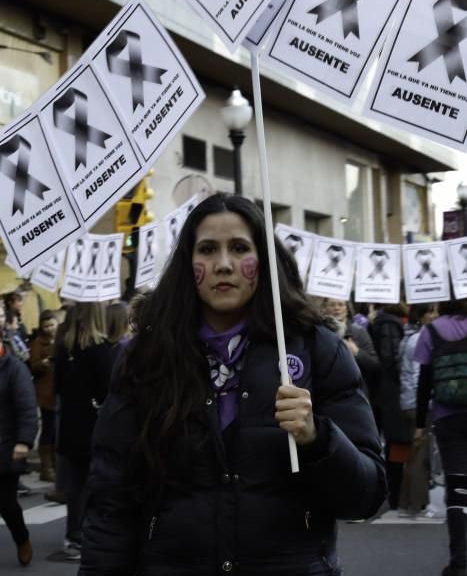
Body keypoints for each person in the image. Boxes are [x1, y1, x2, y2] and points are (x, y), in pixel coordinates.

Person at [78, 193, 386, 576]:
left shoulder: (316, 349)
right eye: (207, 249)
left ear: (265, 260)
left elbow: (366, 497)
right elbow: (111, 497)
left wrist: (318, 440)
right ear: (188, 264)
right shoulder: (147, 357)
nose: (223, 264)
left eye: (240, 248)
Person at [54, 303, 113, 560]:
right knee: (96, 482)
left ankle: (73, 536)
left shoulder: (64, 347)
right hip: (93, 424)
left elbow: (58, 387)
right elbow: (108, 390)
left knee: (74, 486)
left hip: (69, 424)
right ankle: (90, 535)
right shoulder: (101, 349)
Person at [414, 297, 467, 576]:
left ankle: (460, 562)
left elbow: (424, 381)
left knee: (458, 488)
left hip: (448, 418)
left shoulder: (431, 331)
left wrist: (420, 423)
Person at [369, 302, 412, 511]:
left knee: (389, 443)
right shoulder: (390, 325)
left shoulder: (384, 323)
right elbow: (390, 358)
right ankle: (394, 496)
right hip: (391, 393)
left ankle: (392, 494)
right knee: (396, 442)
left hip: (385, 393)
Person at [0, 334, 38, 566]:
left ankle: (22, 539)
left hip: (4, 448)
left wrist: (23, 441)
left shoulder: (14, 368)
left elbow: (26, 407)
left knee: (6, 504)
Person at [398, 303, 437, 518]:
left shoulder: (411, 336)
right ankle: (418, 505)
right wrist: (427, 402)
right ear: (420, 316)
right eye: (430, 311)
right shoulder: (419, 339)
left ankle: (408, 502)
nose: (434, 315)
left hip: (409, 402)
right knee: (420, 454)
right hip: (416, 403)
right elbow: (416, 376)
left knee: (416, 453)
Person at [321, 298, 380, 402]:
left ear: (347, 309)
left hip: (355, 395)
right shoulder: (318, 333)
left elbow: (374, 366)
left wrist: (357, 352)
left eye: (341, 304)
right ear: (324, 308)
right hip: (326, 394)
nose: (336, 308)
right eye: (332, 305)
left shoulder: (358, 332)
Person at [29, 310, 59, 482]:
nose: (49, 329)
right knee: (48, 428)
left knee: (56, 429)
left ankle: (55, 464)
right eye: (46, 326)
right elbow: (33, 365)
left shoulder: (63, 339)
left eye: (51, 325)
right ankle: (46, 467)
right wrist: (44, 362)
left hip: (59, 391)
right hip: (45, 393)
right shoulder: (38, 343)